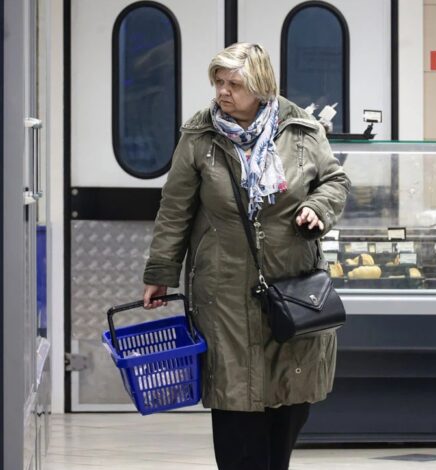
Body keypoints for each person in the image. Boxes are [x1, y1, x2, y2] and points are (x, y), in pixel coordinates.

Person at [141, 43, 350, 470]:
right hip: (223, 293)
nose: (223, 92)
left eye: (234, 84)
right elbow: (175, 209)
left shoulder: (301, 130)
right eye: (218, 82)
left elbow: (335, 182)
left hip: (292, 288)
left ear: (261, 85)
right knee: (235, 405)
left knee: (288, 403)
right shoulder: (200, 136)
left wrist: (317, 207)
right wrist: (160, 271)